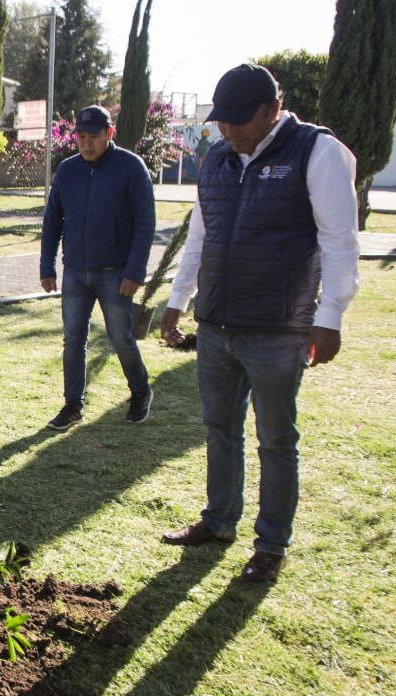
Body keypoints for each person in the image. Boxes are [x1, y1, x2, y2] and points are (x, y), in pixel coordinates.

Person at [158, 64, 361, 582]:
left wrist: (330, 317)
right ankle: (219, 520)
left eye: (238, 121)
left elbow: (340, 241)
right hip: (218, 324)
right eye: (221, 121)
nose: (227, 130)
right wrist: (178, 300)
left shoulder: (317, 152)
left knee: (275, 439)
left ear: (273, 109)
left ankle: (270, 544)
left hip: (279, 328)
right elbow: (201, 238)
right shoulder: (218, 161)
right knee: (219, 428)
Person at [40, 105, 156, 430]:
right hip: (75, 271)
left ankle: (140, 391)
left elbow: (145, 223)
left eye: (94, 137)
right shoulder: (67, 171)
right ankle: (72, 406)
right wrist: (46, 266)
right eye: (82, 137)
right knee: (72, 340)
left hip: (115, 273)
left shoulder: (131, 168)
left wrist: (135, 272)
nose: (87, 143)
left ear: (110, 134)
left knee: (121, 338)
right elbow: (53, 221)